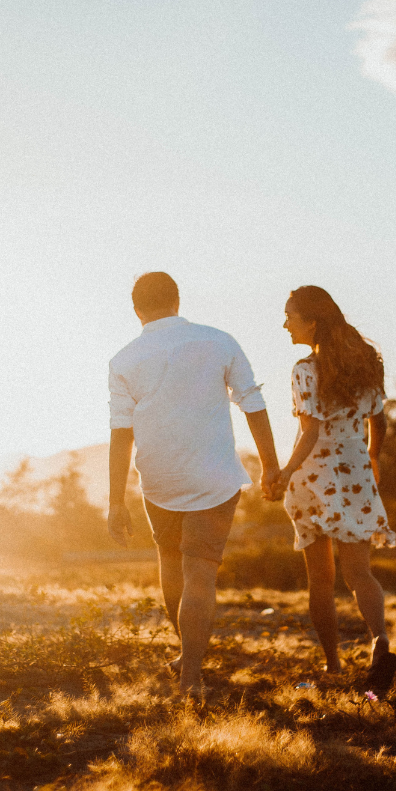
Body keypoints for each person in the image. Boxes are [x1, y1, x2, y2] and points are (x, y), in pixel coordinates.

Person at [108, 272, 280, 696]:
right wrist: (271, 467)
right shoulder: (219, 340)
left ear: (136, 310)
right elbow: (252, 403)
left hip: (159, 479)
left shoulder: (123, 359)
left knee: (171, 565)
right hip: (214, 476)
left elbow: (120, 433)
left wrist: (115, 501)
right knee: (200, 574)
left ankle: (187, 658)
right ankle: (191, 679)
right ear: (177, 300)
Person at [273, 285, 396, 694]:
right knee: (359, 572)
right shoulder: (366, 362)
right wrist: (373, 458)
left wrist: (286, 469)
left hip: (313, 478)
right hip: (356, 473)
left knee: (321, 580)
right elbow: (377, 422)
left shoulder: (305, 370)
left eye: (289, 315)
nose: (285, 323)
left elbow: (310, 432)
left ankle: (333, 667)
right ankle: (380, 641)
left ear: (311, 321)